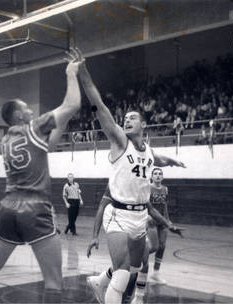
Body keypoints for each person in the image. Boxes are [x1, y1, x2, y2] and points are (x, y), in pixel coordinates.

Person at [0, 48, 84, 304]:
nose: (31, 111)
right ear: (18, 115)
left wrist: (64, 122)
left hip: (8, 209)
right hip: (35, 208)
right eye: (27, 109)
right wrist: (71, 72)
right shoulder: (33, 128)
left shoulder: (5, 141)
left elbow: (49, 145)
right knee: (54, 281)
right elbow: (72, 104)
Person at [78, 52, 185, 304]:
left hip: (140, 217)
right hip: (118, 215)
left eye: (132, 117)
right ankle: (107, 289)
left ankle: (99, 281)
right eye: (125, 117)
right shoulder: (119, 141)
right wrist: (83, 72)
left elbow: (156, 159)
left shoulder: (147, 150)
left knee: (135, 267)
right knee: (124, 272)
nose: (126, 119)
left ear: (143, 125)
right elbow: (99, 104)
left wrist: (172, 161)